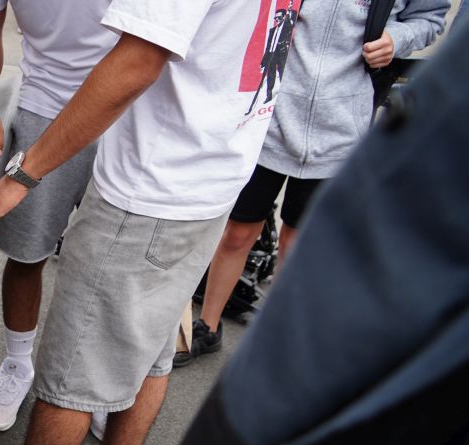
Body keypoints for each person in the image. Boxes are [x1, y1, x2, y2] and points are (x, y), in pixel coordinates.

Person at [101, 23, 468, 445]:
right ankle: (209, 323)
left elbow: (400, 244)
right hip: (276, 125)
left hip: (335, 131)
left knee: (303, 245)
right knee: (244, 236)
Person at [0, 0, 300, 445]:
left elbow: (135, 62)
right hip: (214, 173)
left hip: (151, 186)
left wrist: (18, 179)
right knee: (153, 343)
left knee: (72, 365)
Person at [179, 0, 448, 365]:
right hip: (271, 113)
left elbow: (429, 18)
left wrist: (396, 38)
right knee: (237, 233)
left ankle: (271, 340)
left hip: (341, 125)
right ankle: (208, 327)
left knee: (297, 243)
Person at [0, 0, 117, 433]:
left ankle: (98, 380)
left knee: (111, 264)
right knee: (27, 253)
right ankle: (17, 364)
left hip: (127, 112)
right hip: (43, 106)